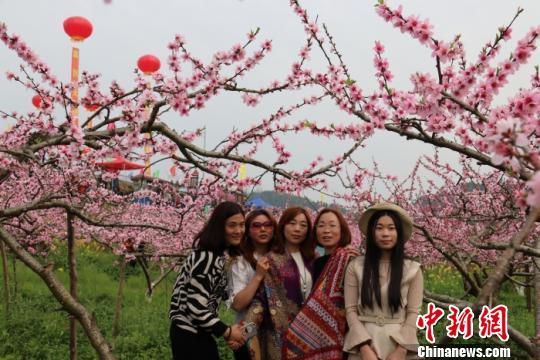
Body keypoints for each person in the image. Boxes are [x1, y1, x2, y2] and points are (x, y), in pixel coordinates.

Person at [343, 203, 423, 360]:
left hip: (399, 344)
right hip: (365, 344)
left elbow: (413, 313)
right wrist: (364, 348)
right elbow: (350, 310)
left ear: (398, 233)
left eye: (391, 228)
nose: (385, 233)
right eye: (379, 228)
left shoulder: (413, 269)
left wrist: (401, 350)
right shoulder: (356, 266)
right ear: (371, 233)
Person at [169, 201, 247, 360]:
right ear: (219, 227)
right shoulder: (207, 257)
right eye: (232, 225)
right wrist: (228, 332)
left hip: (196, 332)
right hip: (189, 333)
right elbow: (196, 306)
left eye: (242, 225)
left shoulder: (215, 255)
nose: (238, 230)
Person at [283, 208, 359, 359]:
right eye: (321, 225)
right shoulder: (314, 262)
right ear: (315, 230)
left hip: (346, 334)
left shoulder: (349, 259)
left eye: (332, 225)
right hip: (313, 334)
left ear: (342, 230)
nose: (326, 230)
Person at [244, 207, 317, 360]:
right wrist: (245, 330)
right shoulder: (271, 259)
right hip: (280, 333)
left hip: (310, 332)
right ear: (283, 226)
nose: (298, 229)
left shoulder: (313, 259)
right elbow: (261, 299)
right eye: (292, 223)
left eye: (303, 225)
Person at [228, 209, 278, 359]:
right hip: (248, 334)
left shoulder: (281, 259)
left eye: (267, 225)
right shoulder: (240, 261)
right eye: (256, 226)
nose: (263, 229)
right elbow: (238, 304)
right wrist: (258, 276)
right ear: (248, 231)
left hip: (277, 334)